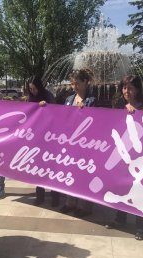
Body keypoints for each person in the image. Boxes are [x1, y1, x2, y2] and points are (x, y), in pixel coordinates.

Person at [105, 75, 143, 240]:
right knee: (122, 187)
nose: (127, 91)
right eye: (124, 87)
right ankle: (120, 219)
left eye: (131, 88)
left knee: (142, 190)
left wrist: (138, 115)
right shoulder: (118, 105)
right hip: (123, 155)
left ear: (138, 89)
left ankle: (141, 226)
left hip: (142, 156)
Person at [60, 68, 97, 218]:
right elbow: (63, 118)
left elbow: (95, 122)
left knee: (83, 174)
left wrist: (86, 111)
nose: (74, 86)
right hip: (70, 143)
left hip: (85, 145)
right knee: (70, 172)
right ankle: (70, 202)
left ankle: (85, 206)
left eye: (77, 83)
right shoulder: (69, 100)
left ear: (85, 82)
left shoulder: (91, 101)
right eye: (72, 83)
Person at [27, 75, 61, 207]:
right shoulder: (31, 98)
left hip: (50, 139)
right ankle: (39, 196)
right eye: (31, 89)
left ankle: (55, 197)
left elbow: (56, 112)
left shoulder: (48, 96)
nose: (33, 91)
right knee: (38, 169)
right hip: (36, 139)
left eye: (35, 88)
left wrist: (46, 107)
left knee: (52, 169)